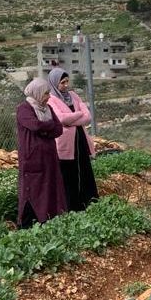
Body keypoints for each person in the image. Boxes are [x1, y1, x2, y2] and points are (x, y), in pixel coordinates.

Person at [16, 78, 67, 228]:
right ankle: (28, 224)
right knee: (32, 191)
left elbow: (59, 129)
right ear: (37, 93)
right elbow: (35, 126)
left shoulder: (47, 109)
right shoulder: (24, 108)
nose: (48, 97)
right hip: (33, 159)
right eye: (46, 93)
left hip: (49, 159)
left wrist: (46, 128)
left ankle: (47, 220)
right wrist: (48, 128)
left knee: (49, 189)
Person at [47, 68, 99, 211]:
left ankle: (89, 202)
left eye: (67, 82)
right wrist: (78, 115)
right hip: (65, 143)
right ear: (54, 83)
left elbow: (88, 116)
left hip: (80, 139)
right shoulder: (51, 100)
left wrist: (71, 119)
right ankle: (72, 207)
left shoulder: (73, 96)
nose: (65, 85)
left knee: (84, 169)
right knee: (68, 174)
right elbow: (61, 118)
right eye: (62, 82)